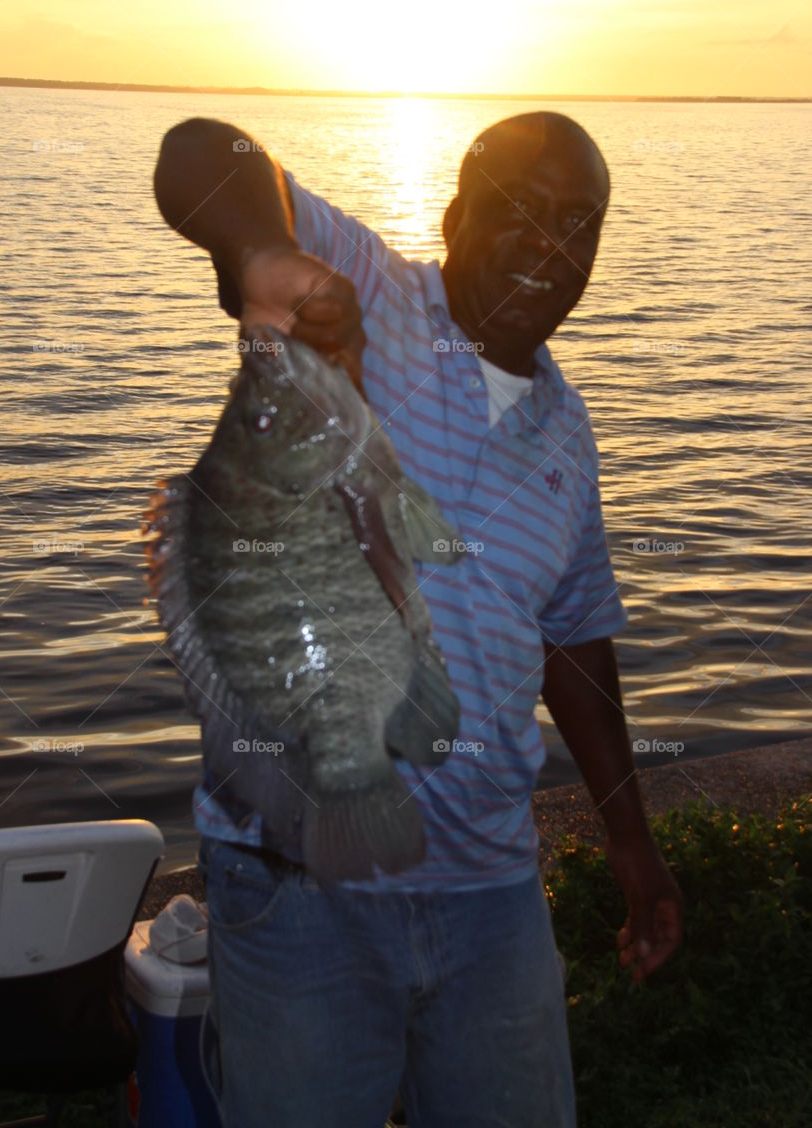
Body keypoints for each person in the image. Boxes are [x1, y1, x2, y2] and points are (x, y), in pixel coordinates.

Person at [153, 111, 684, 1128]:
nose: (551, 246)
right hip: (300, 882)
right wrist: (262, 254)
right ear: (452, 214)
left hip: (490, 888)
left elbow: (571, 637)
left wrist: (631, 841)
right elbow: (202, 153)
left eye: (579, 224)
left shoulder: (566, 430)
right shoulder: (369, 290)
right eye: (521, 212)